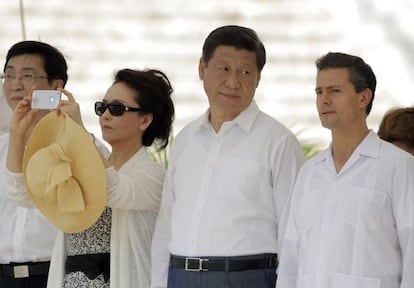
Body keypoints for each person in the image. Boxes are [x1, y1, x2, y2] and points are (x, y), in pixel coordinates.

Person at [151, 25, 304, 288]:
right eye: (224, 69)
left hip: (247, 277)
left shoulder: (279, 142)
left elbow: (294, 231)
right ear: (202, 69)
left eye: (245, 72)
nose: (233, 82)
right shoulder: (186, 140)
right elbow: (167, 222)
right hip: (181, 276)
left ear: (257, 79)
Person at [6, 68, 175, 288]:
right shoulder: (87, 160)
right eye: (101, 107)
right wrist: (17, 134)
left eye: (116, 109)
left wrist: (78, 131)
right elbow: (25, 195)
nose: (105, 115)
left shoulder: (154, 175)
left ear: (144, 120)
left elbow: (112, 190)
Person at [277, 52, 414, 288]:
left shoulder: (399, 166)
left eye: (335, 91)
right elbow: (290, 257)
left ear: (364, 98)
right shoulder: (309, 173)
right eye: (319, 92)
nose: (324, 99)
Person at [0, 40, 68, 288]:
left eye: (27, 76)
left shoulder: (76, 146)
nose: (15, 84)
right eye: (8, 76)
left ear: (56, 86)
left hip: (54, 275)